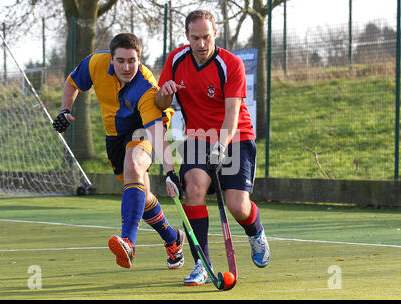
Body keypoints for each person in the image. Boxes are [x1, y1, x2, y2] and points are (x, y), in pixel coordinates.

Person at [155, 10, 271, 286]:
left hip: (236, 136)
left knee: (237, 206)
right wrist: (166, 93)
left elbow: (232, 113)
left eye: (206, 37)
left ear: (215, 34)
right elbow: (160, 105)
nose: (202, 44)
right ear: (187, 37)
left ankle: (255, 231)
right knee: (193, 189)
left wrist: (221, 145)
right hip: (197, 136)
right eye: (195, 38)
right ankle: (201, 264)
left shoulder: (230, 64)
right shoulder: (175, 60)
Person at [52, 33, 185, 270]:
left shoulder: (145, 86)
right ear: (111, 59)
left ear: (139, 59)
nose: (126, 67)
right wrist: (64, 110)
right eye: (120, 60)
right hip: (114, 135)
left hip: (140, 131)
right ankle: (173, 239)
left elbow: (155, 130)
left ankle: (128, 243)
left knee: (133, 165)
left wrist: (169, 171)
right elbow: (72, 83)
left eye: (131, 61)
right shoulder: (95, 64)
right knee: (140, 197)